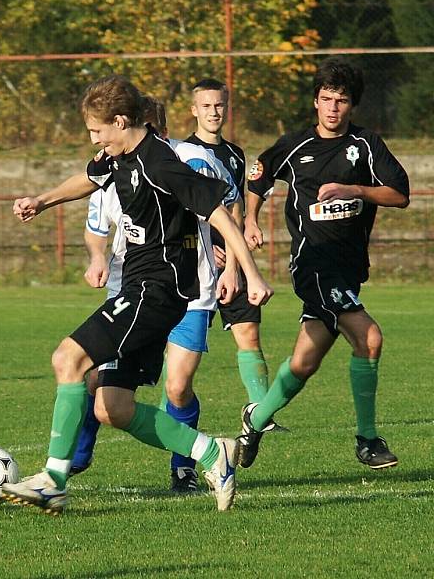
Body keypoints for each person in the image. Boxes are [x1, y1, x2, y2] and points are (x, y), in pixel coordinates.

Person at [1, 75, 273, 515]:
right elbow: (88, 179)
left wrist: (252, 275)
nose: (94, 140)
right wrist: (43, 200)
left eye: (97, 131)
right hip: (139, 287)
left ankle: (53, 479)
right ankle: (210, 453)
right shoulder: (118, 156)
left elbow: (220, 214)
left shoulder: (159, 162)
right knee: (114, 406)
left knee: (67, 359)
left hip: (156, 290)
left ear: (121, 121)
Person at [240, 57, 409, 470]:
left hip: (348, 269)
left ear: (352, 106)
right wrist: (250, 220)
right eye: (327, 99)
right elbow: (257, 180)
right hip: (312, 264)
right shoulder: (295, 145)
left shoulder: (367, 145)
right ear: (315, 102)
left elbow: (400, 194)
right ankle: (367, 440)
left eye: (342, 100)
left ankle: (255, 420)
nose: (333, 107)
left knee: (304, 363)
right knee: (369, 338)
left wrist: (353, 189)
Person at [71, 96, 242, 495]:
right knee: (93, 376)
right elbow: (97, 225)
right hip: (130, 288)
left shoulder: (188, 160)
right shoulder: (115, 163)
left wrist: (231, 263)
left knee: (177, 386)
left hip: (190, 289)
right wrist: (97, 257)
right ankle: (74, 458)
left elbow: (226, 209)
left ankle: (186, 469)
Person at [183, 79, 286, 463]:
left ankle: (257, 416)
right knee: (181, 370)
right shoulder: (181, 153)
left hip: (232, 261)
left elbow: (236, 207)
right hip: (193, 267)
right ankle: (184, 459)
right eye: (206, 106)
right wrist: (210, 250)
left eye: (220, 105)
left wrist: (239, 251)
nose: (214, 112)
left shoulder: (234, 154)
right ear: (193, 110)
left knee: (249, 333)